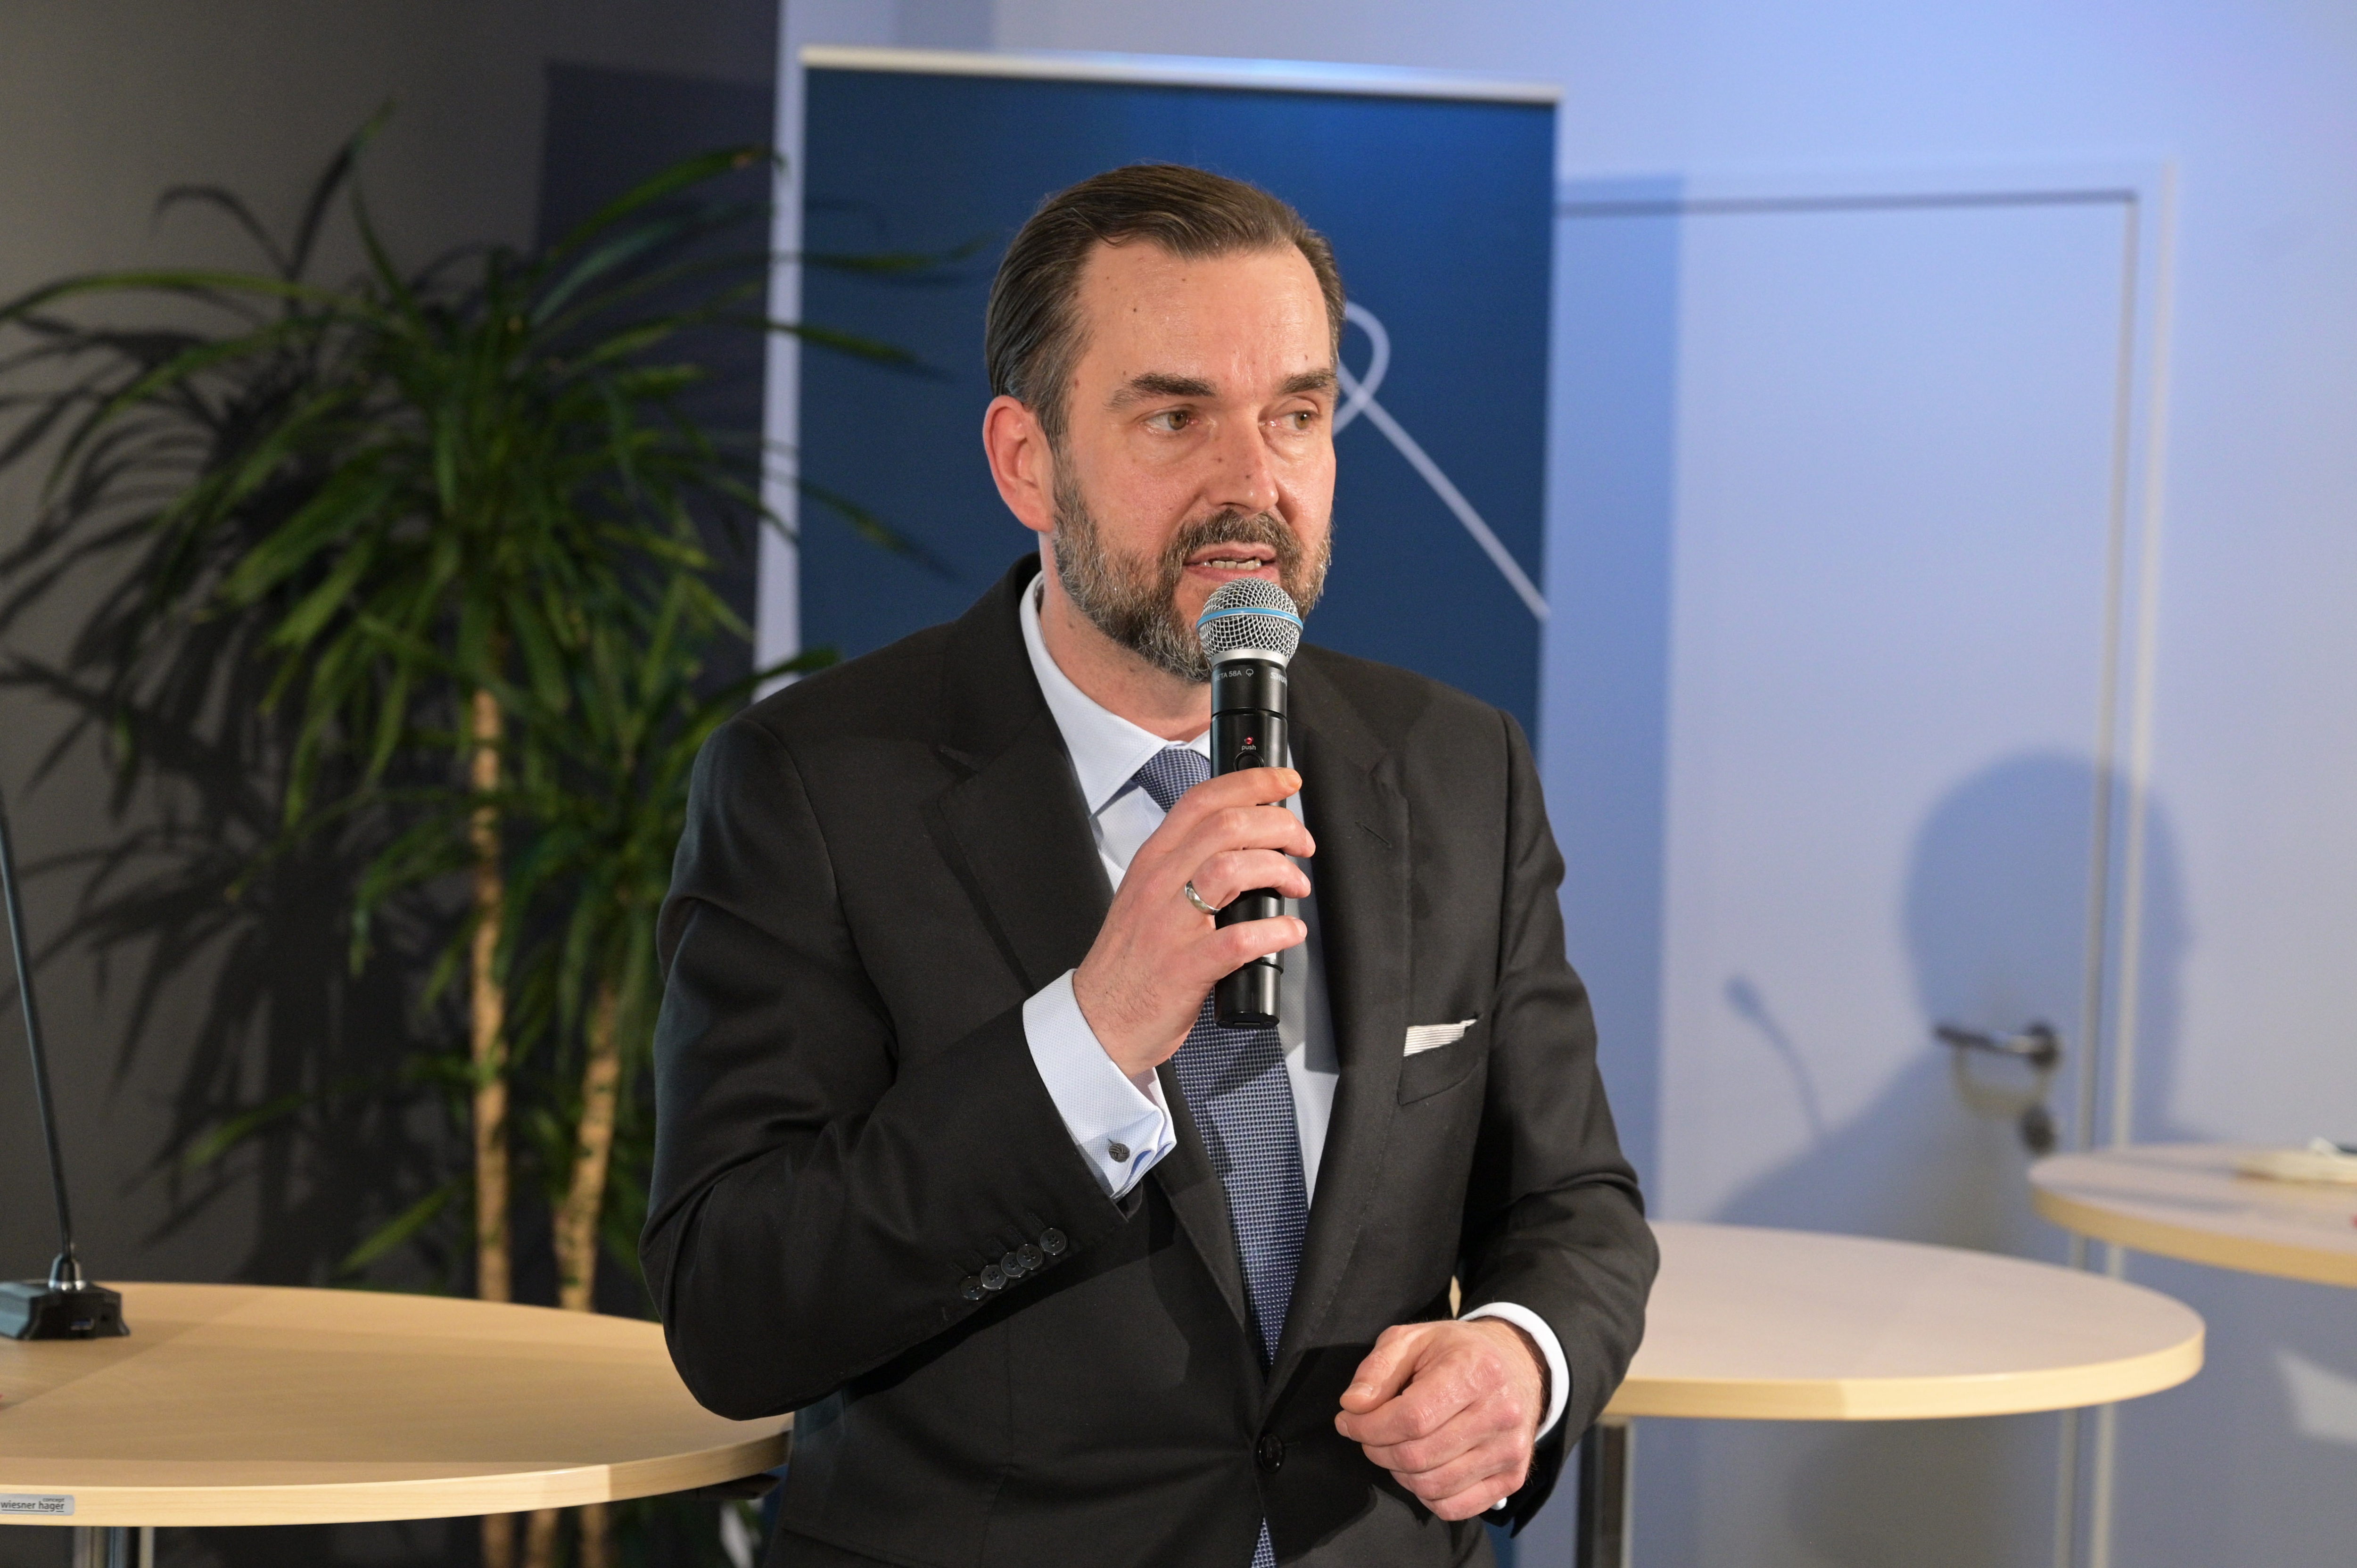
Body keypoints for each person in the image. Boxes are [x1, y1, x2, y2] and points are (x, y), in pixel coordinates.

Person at [643, 163, 1655, 1568]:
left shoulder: (1454, 765)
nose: (1253, 485)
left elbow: (1574, 1207)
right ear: (1027, 462)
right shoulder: (815, 785)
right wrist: (1093, 1034)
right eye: (1176, 417)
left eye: (1296, 415)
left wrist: (1521, 1357)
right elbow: (736, 1309)